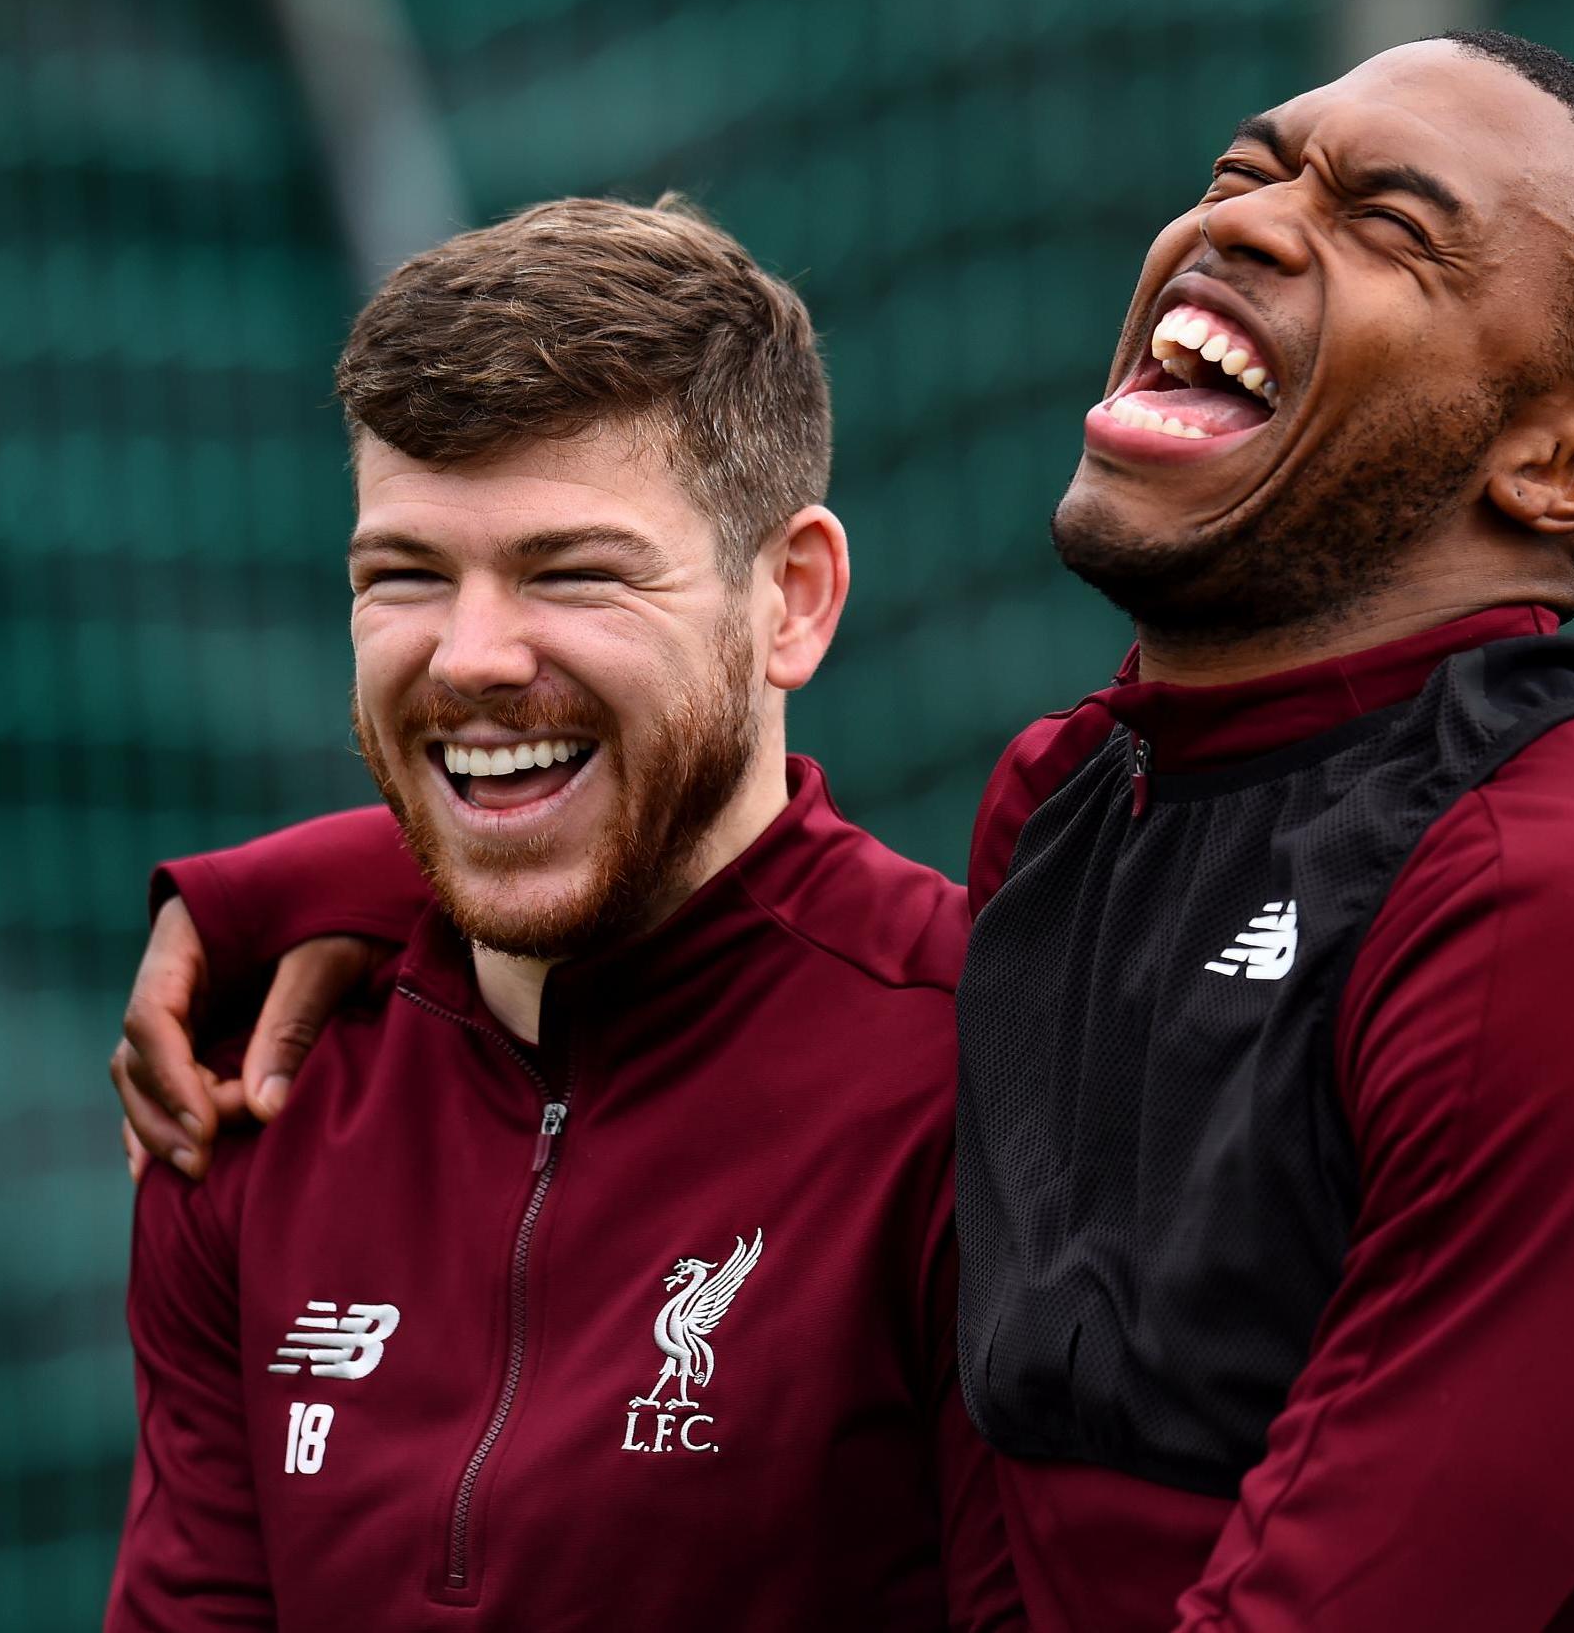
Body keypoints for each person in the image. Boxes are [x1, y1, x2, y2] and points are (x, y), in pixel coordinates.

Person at [113, 32, 1574, 1631]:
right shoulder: (1080, 805)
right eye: (1247, 167)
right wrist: (400, 887)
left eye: (1391, 226)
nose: (1255, 221)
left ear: (1558, 473)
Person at [103, 197, 1017, 1630]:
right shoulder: (255, 1089)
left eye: (571, 572)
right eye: (403, 575)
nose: (468, 659)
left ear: (792, 599)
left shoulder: (987, 1080)